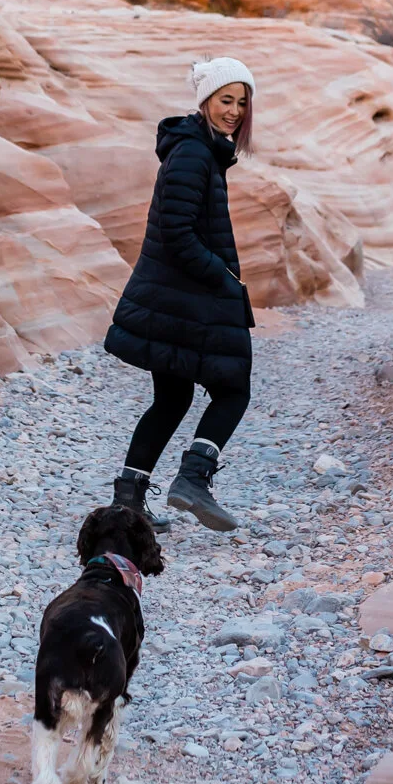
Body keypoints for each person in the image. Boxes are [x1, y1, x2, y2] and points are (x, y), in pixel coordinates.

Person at [103, 56, 256, 534]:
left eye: (241, 102)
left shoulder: (201, 149)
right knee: (233, 388)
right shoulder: (192, 153)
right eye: (225, 100)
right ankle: (193, 480)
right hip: (188, 296)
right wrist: (223, 279)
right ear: (205, 100)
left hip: (175, 294)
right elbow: (177, 232)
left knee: (172, 397)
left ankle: (128, 501)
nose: (234, 111)